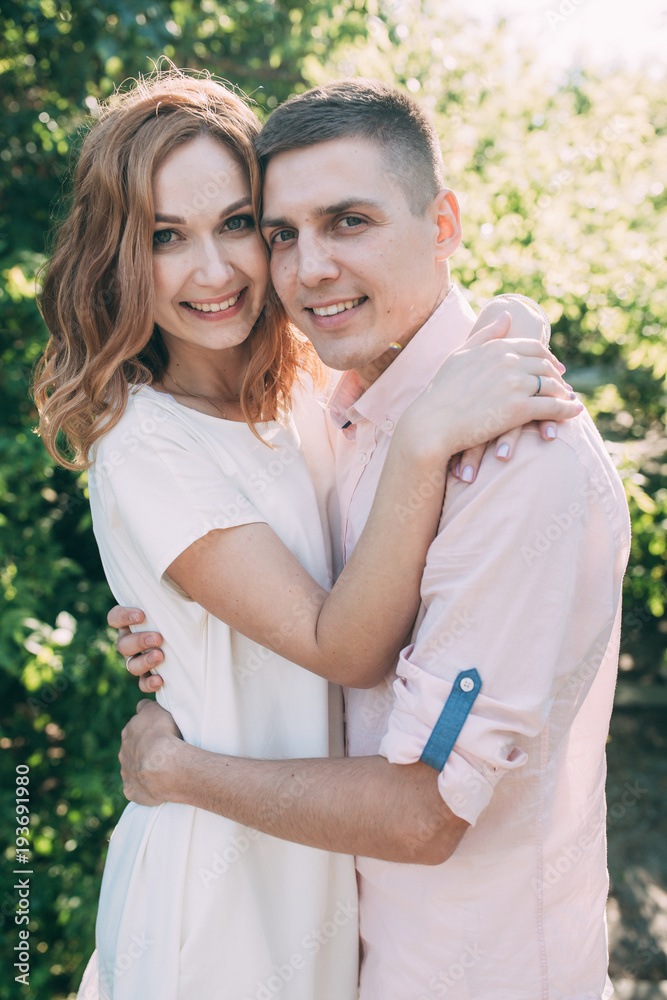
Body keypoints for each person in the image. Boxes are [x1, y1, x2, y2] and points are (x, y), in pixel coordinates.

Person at [33, 72, 576, 1000]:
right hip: (224, 873)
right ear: (120, 258)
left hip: (325, 866)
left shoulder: (308, 393)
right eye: (167, 238)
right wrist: (423, 441)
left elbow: (420, 322)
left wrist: (514, 326)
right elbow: (345, 647)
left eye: (239, 224)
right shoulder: (145, 439)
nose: (216, 272)